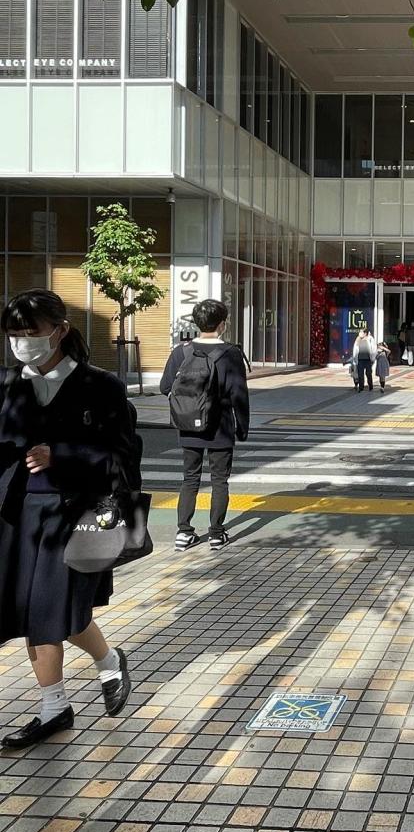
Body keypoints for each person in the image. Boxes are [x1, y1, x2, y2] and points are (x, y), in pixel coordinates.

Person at [0, 289, 134, 750]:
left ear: (60, 331)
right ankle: (104, 664)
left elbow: (122, 459)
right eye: (13, 334)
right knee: (40, 611)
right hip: (17, 516)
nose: (21, 342)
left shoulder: (100, 387)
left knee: (48, 612)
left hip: (73, 516)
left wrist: (62, 455)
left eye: (30, 332)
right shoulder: (7, 385)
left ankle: (55, 706)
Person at [160, 298, 250, 552]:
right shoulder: (231, 353)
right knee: (220, 480)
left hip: (189, 424)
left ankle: (184, 532)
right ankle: (216, 534)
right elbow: (239, 395)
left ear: (197, 323)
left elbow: (165, 386)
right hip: (220, 426)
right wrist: (242, 427)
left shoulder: (182, 351)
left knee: (190, 478)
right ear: (222, 324)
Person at [352, 325, 376, 392]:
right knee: (360, 374)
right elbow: (355, 350)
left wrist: (373, 358)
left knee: (368, 374)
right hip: (360, 360)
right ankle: (361, 387)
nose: (360, 333)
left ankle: (370, 386)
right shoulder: (358, 340)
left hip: (368, 359)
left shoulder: (370, 339)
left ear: (365, 333)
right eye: (360, 332)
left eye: (361, 332)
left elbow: (373, 349)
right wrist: (355, 359)